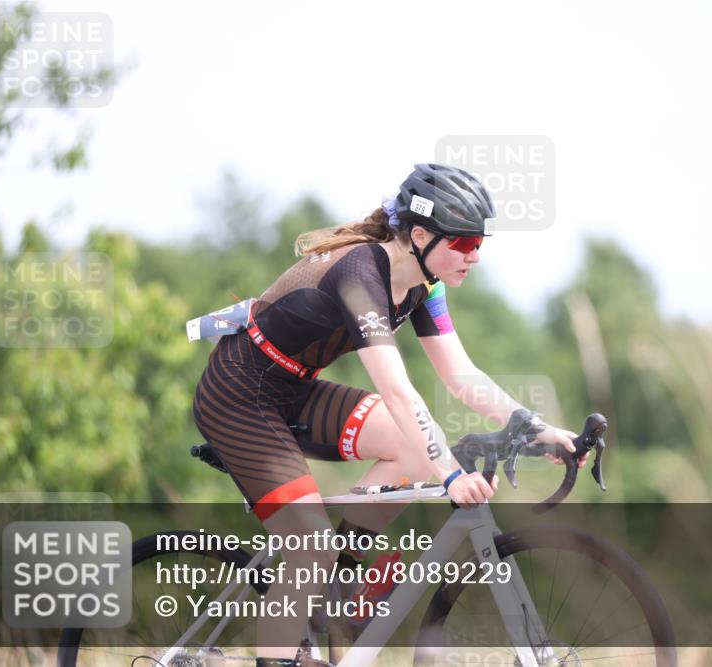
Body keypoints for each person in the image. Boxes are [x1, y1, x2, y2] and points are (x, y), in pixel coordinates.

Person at [191, 163, 587, 666]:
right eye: (464, 244)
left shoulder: (425, 281)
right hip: (238, 395)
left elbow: (462, 377)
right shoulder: (359, 276)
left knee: (410, 449)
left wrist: (539, 429)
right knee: (309, 544)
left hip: (293, 387)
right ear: (420, 235)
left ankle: (335, 579)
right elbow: (399, 392)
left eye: (480, 243)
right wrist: (451, 475)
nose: (476, 256)